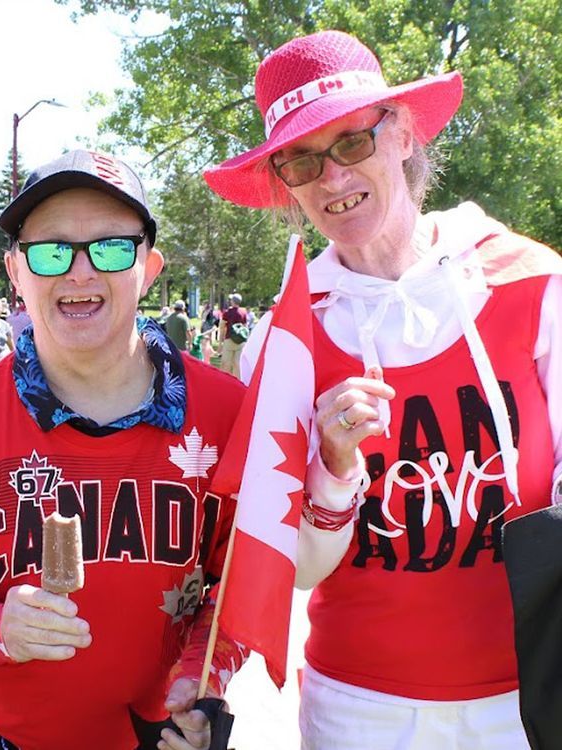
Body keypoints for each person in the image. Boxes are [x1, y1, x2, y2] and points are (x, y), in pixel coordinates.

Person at [203, 30, 562, 749]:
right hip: (357, 708)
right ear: (285, 183)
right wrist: (334, 471)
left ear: (401, 133)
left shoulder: (532, 283)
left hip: (529, 690)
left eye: (351, 142)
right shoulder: (286, 341)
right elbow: (300, 570)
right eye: (302, 161)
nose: (332, 178)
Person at [0, 149, 249, 750]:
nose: (79, 273)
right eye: (51, 251)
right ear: (16, 271)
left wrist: (199, 683)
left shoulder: (228, 416)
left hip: (146, 732)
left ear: (149, 267)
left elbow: (240, 586)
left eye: (111, 248)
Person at [218, 294, 248, 378]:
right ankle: (237, 380)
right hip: (240, 341)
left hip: (229, 339)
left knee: (226, 363)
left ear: (232, 301)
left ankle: (225, 380)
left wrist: (220, 342)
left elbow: (222, 327)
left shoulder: (227, 313)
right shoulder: (243, 312)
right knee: (237, 364)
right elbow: (245, 327)